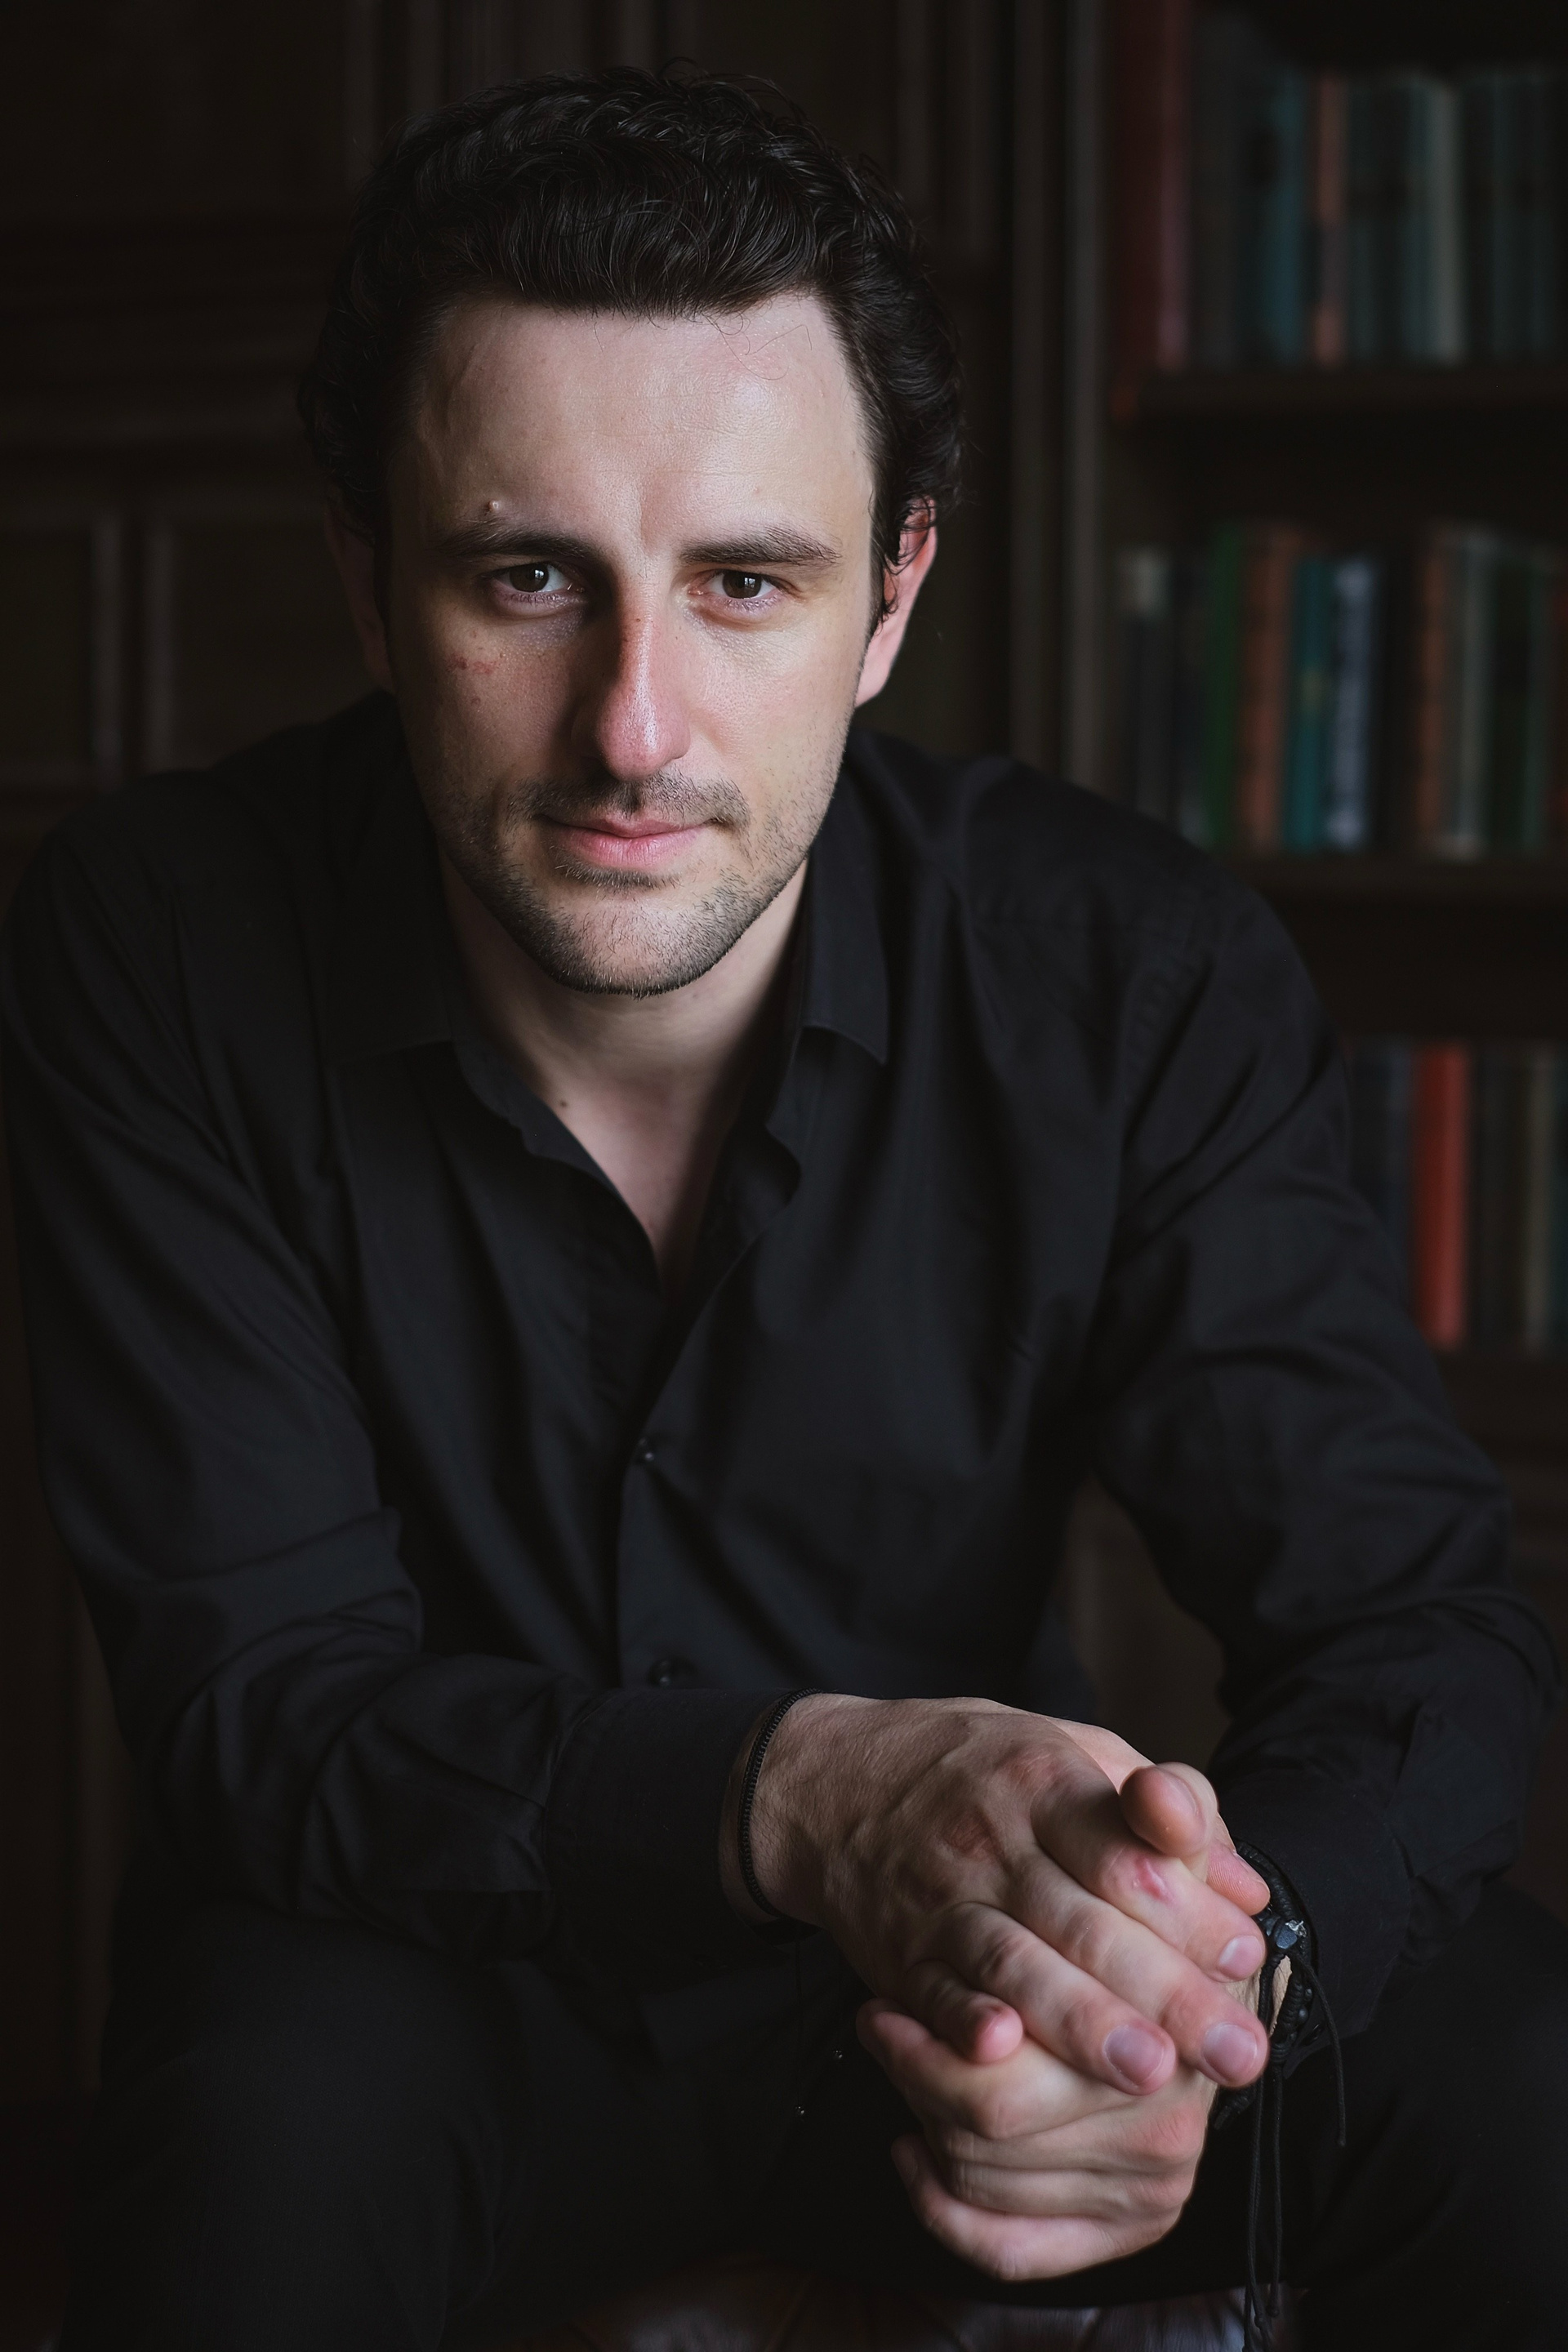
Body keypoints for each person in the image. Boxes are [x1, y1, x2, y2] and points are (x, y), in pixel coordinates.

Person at [2, 68, 1562, 2352]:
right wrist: (796, 1788)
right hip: (421, 1980)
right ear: (366, 579)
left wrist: (1202, 2008)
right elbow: (262, 1702)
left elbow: (1413, 1625)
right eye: (528, 577)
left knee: (1530, 2088)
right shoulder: (156, 943)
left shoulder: (1121, 971)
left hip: (966, 1997)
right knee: (247, 2172)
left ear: (892, 595)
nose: (633, 727)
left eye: (746, 582)